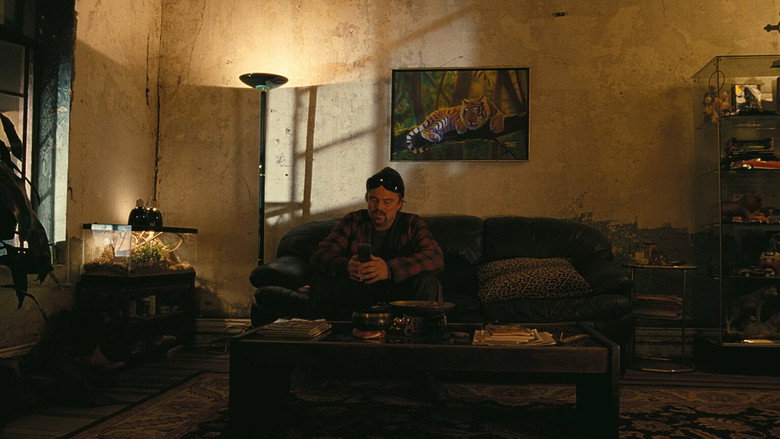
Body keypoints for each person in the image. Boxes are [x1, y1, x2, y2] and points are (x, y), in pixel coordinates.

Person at [308, 167, 444, 319]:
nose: (379, 207)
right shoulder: (353, 221)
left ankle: (419, 333)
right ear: (366, 198)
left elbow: (435, 257)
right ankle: (323, 331)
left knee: (427, 280)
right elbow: (319, 255)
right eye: (374, 200)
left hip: (398, 293)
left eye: (387, 201)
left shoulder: (412, 224)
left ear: (399, 203)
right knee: (321, 277)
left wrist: (389, 269)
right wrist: (346, 266)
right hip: (358, 292)